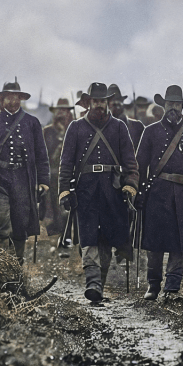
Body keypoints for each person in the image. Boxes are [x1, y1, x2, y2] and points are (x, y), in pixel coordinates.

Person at [59, 82, 139, 303]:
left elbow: (131, 164)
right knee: (88, 237)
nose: (99, 105)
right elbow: (65, 165)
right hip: (85, 191)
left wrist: (130, 185)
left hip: (112, 192)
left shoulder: (120, 128)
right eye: (95, 101)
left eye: (103, 101)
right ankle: (92, 284)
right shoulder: (75, 128)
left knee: (106, 240)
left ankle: (98, 285)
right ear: (88, 103)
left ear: (107, 103)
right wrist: (64, 190)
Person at [135, 85, 183, 300]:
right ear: (163, 106)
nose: (174, 108)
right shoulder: (150, 131)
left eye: (177, 104)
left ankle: (172, 287)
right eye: (170, 104)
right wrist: (137, 192)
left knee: (181, 243)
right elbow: (139, 166)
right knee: (154, 242)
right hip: (157, 193)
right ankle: (153, 284)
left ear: (182, 107)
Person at [0, 81, 50, 264]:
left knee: (20, 227)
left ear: (21, 99)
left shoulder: (32, 122)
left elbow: (41, 154)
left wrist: (43, 181)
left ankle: (16, 268)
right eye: (9, 97)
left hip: (22, 179)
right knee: (0, 225)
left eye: (16, 97)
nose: (13, 101)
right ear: (2, 100)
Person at [42, 98, 75, 241]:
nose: (62, 113)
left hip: (70, 175)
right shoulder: (47, 132)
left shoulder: (75, 129)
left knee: (67, 207)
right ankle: (56, 235)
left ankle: (69, 235)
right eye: (59, 110)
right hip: (52, 175)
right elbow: (41, 155)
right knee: (52, 208)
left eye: (65, 110)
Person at [108, 85, 145, 150]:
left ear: (122, 103)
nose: (117, 107)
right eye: (113, 104)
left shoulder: (137, 126)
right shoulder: (102, 129)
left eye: (118, 102)